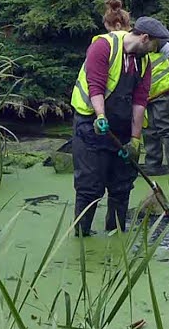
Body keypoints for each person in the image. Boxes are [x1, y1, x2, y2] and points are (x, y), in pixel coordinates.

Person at [68, 15, 160, 236]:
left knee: (121, 186)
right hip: (91, 125)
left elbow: (140, 100)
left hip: (122, 129)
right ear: (144, 38)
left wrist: (135, 139)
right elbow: (95, 86)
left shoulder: (144, 61)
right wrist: (100, 115)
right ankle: (82, 234)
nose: (154, 52)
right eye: (154, 46)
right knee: (90, 187)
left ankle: (116, 232)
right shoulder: (103, 47)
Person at [136, 16, 169, 179]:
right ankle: (152, 165)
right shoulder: (137, 47)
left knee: (167, 128)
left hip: (167, 92)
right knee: (149, 129)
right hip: (147, 95)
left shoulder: (162, 45)